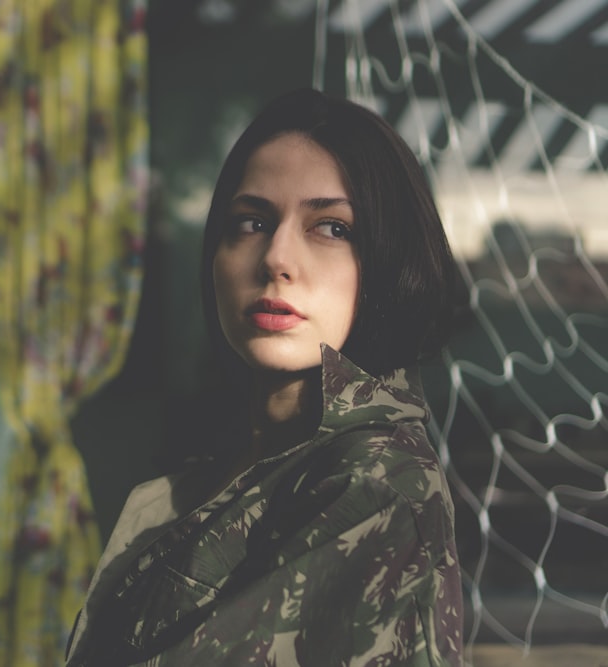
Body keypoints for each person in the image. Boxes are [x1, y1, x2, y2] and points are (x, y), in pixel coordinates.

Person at [65, 88, 464, 666]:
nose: (276, 257)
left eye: (331, 228)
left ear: (387, 260)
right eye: (251, 222)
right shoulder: (228, 462)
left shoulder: (374, 480)